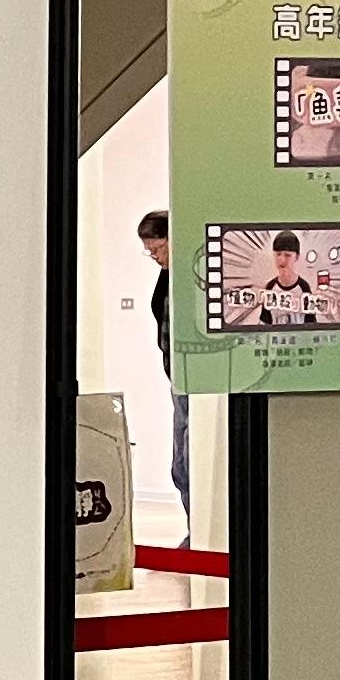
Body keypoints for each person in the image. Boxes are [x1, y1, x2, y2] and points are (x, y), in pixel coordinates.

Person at [138, 208, 187, 518]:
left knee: (188, 461)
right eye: (150, 252)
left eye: (157, 248)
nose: (155, 257)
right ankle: (194, 528)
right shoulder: (167, 276)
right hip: (177, 378)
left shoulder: (186, 276)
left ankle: (200, 532)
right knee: (180, 464)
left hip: (193, 380)